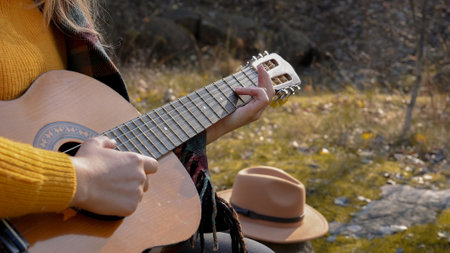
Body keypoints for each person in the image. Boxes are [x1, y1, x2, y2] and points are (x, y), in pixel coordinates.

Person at [0, 0, 275, 252]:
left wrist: (212, 124)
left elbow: (102, 145)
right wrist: (80, 178)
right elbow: (89, 171)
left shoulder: (56, 9)